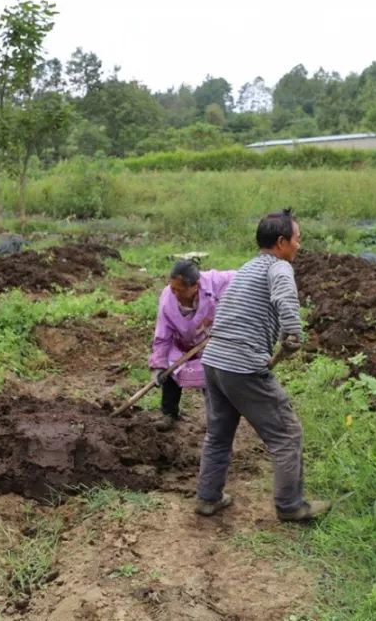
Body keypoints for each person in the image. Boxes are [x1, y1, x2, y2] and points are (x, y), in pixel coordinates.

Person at [195, 208, 331, 522]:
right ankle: (291, 506)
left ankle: (208, 498)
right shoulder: (280, 268)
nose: (300, 245)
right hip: (242, 364)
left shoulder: (247, 268)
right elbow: (286, 299)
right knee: (287, 434)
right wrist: (293, 334)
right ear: (282, 242)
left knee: (218, 435)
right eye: (297, 239)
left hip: (214, 362)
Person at [148, 259, 236, 431]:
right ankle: (169, 414)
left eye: (179, 290)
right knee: (170, 372)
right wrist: (158, 365)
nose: (174, 292)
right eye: (172, 287)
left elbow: (242, 279)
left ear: (195, 286)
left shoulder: (214, 282)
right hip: (180, 343)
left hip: (208, 341)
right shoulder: (168, 299)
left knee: (212, 380)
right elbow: (162, 336)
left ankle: (216, 420)